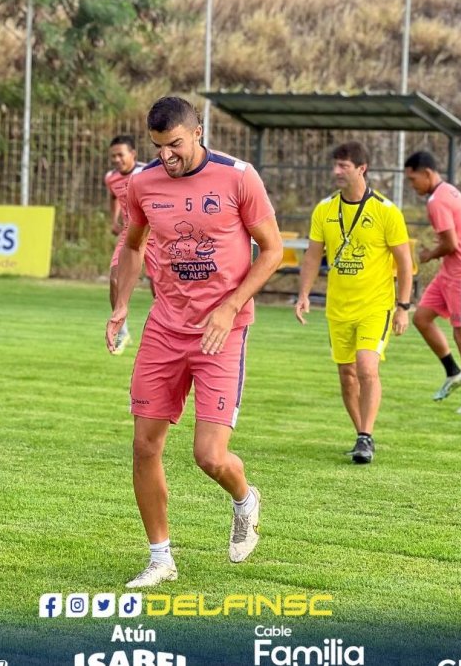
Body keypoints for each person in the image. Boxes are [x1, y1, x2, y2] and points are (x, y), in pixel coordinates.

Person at [107, 96, 283, 588]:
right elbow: (133, 245)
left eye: (176, 146)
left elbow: (273, 251)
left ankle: (245, 498)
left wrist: (230, 307)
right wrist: (121, 305)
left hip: (220, 332)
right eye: (159, 147)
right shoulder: (142, 182)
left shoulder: (238, 177)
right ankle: (160, 558)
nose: (168, 156)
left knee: (209, 456)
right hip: (164, 328)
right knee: (144, 445)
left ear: (198, 132)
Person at [295, 142, 413, 464]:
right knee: (347, 374)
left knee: (366, 366)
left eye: (343, 166)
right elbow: (312, 254)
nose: (336, 171)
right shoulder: (325, 210)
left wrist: (403, 307)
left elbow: (404, 263)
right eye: (335, 165)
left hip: (375, 305)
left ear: (362, 169)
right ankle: (362, 434)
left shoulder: (386, 211)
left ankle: (366, 435)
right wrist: (304, 293)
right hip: (338, 307)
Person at [403, 151, 461, 414]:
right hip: (450, 273)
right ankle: (454, 372)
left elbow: (451, 244)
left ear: (427, 173)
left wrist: (430, 253)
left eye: (412, 179)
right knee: (421, 318)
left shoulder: (436, 201)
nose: (411, 184)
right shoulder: (450, 191)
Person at [105, 135, 151, 355]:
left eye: (120, 155)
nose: (116, 159)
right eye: (113, 156)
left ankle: (165, 332)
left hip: (155, 234)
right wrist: (114, 220)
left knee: (158, 288)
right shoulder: (111, 178)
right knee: (115, 278)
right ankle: (122, 330)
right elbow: (113, 197)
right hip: (128, 233)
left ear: (133, 155)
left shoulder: (147, 173)